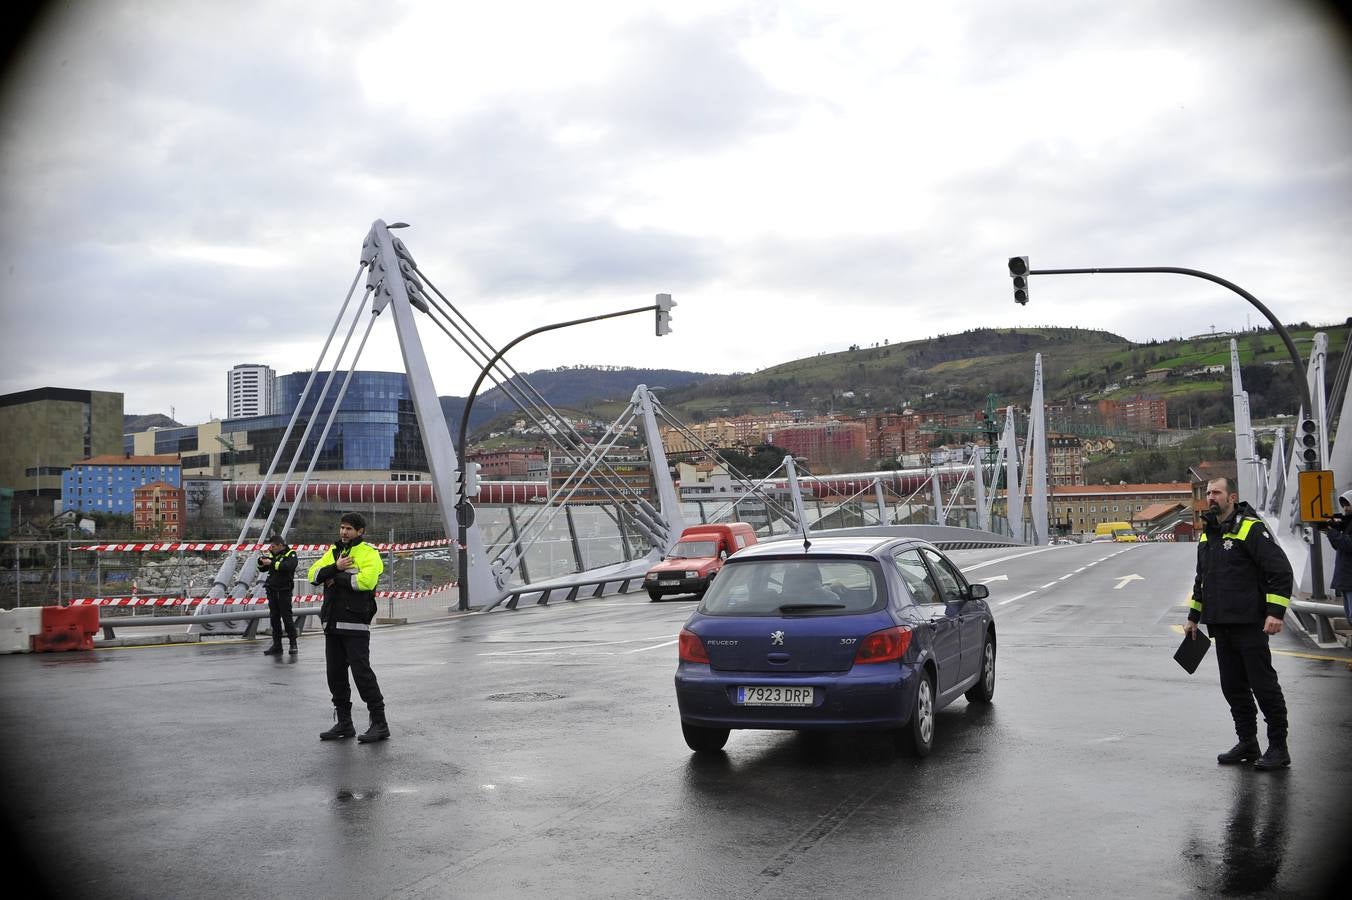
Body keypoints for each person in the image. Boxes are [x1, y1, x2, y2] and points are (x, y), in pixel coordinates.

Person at [1184, 477, 1294, 770]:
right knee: (1232, 687)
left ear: (1231, 497)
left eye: (1217, 492)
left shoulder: (1251, 528)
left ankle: (1279, 747)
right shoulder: (1208, 533)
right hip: (1221, 625)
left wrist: (1275, 612)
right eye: (1208, 492)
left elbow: (1281, 571)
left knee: (1263, 686)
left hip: (1249, 623)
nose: (1211, 497)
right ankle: (1247, 742)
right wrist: (1193, 617)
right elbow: (1202, 579)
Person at [308, 512, 389, 743]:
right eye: (342, 527)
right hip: (332, 623)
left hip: (355, 623)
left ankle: (380, 724)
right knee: (335, 675)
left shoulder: (369, 553)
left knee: (362, 674)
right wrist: (335, 567)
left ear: (360, 531)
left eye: (349, 528)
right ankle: (345, 723)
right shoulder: (334, 552)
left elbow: (366, 581)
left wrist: (337, 577)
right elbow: (313, 575)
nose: (344, 532)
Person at [1319, 490, 1352, 670]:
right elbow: (1339, 544)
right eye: (1344, 505)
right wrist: (1331, 528)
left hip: (1349, 580)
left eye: (1348, 504)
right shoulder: (1347, 523)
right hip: (1347, 580)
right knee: (1350, 618)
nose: (1345, 509)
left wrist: (1332, 531)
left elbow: (1347, 544)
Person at [258, 533, 298, 656]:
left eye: (273, 546)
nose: (271, 548)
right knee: (274, 619)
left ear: (280, 545)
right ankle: (277, 645)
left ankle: (293, 644)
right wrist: (261, 562)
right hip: (272, 590)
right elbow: (263, 569)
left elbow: (287, 567)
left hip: (284, 591)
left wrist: (271, 563)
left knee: (287, 618)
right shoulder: (273, 555)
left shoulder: (290, 554)